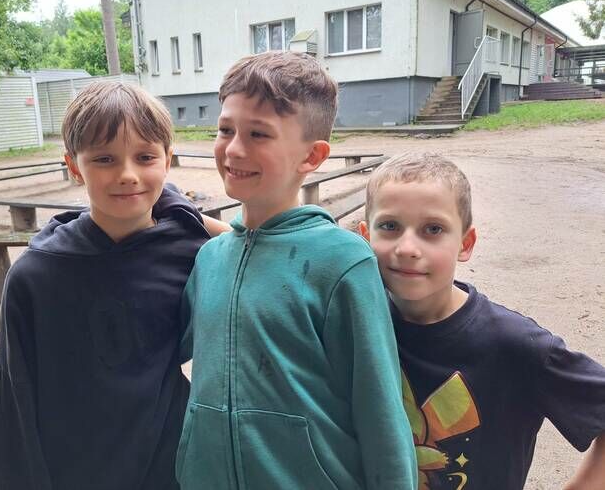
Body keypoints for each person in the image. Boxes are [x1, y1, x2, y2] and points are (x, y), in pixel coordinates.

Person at [176, 51, 418, 490]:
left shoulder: (343, 261)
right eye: (226, 130)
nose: (234, 149)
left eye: (258, 134)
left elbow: (380, 410)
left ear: (312, 156)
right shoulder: (209, 259)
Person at [0, 81, 227, 489]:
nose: (127, 175)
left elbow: (255, 246)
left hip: (171, 467)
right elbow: (14, 402)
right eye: (104, 159)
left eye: (145, 157)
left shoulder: (195, 250)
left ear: (168, 159)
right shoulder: (35, 276)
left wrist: (184, 212)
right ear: (73, 165)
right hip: (75, 471)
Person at [359, 151, 605, 490]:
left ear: (465, 243)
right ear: (365, 236)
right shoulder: (360, 323)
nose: (407, 248)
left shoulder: (515, 344)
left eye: (433, 229)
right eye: (390, 226)